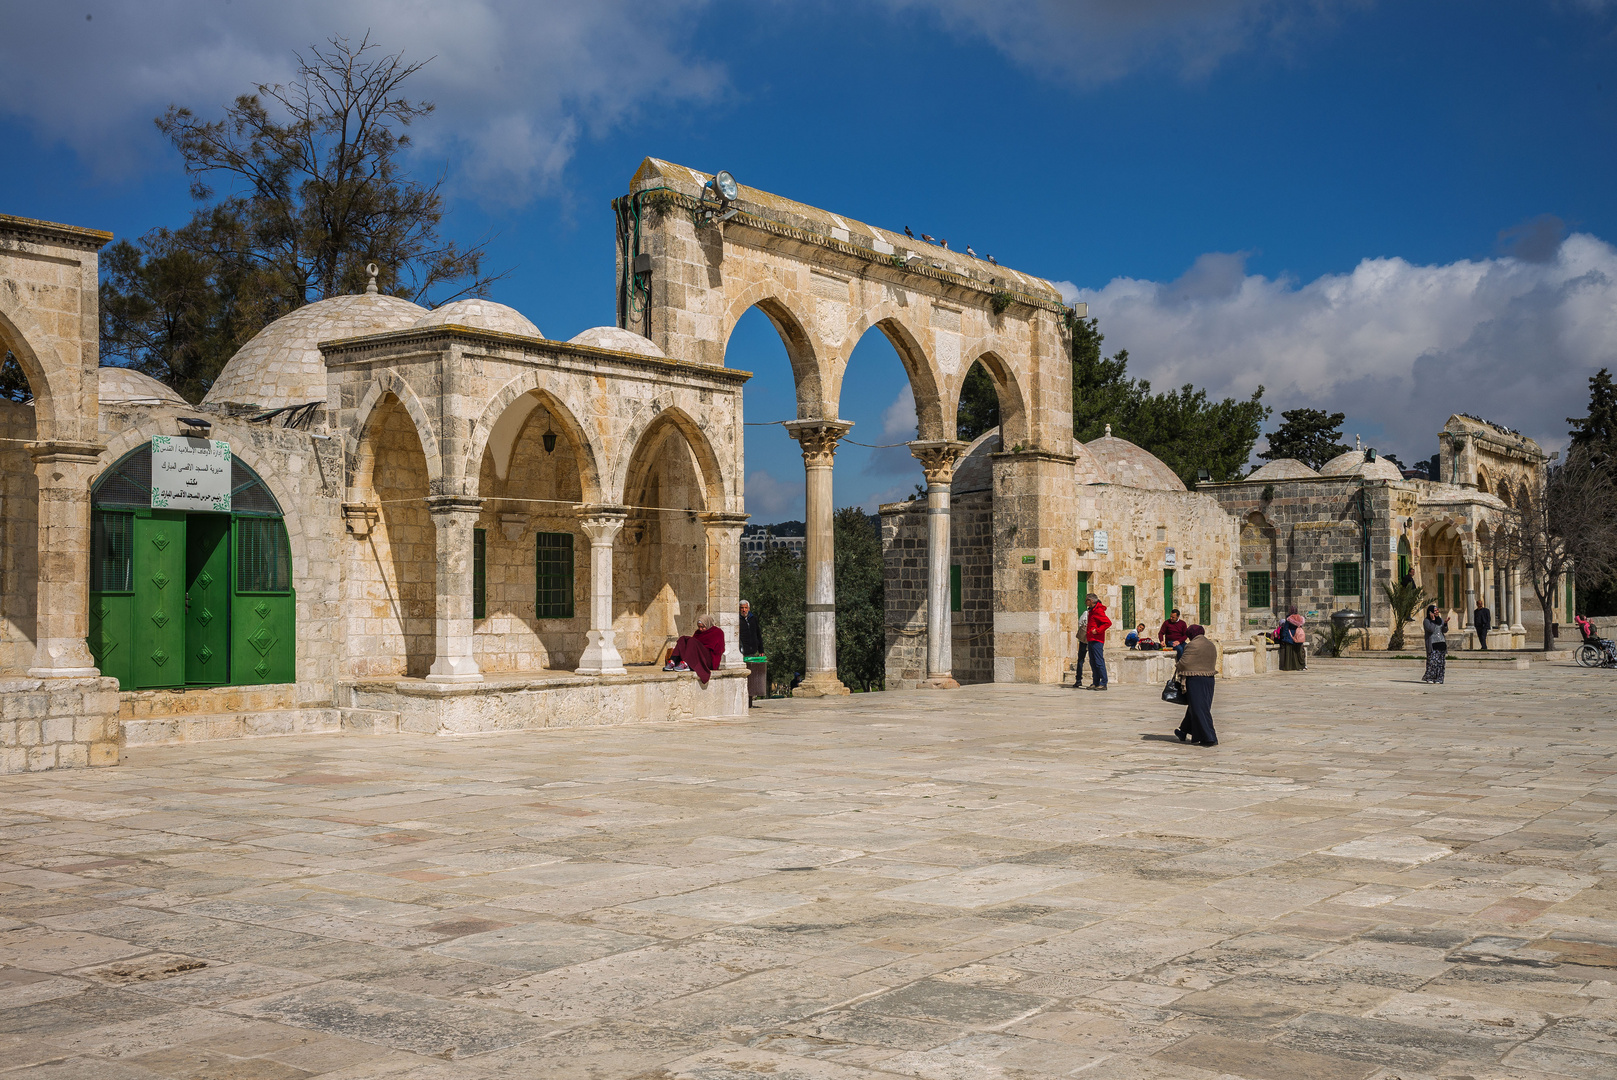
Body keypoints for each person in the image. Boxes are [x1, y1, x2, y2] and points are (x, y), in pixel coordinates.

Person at [1173, 624, 1218, 747]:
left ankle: (1209, 737)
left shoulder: (1192, 645)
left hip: (1195, 679)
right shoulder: (1211, 645)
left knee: (1199, 708)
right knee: (1197, 706)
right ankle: (1183, 731)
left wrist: (1178, 666)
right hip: (1209, 679)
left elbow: (1184, 663)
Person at [666, 614, 725, 685]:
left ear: (708, 624)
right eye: (699, 627)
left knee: (691, 641)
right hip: (697, 656)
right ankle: (673, 661)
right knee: (683, 639)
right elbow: (693, 647)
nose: (700, 629)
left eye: (703, 627)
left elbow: (719, 650)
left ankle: (686, 663)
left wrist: (700, 648)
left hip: (709, 659)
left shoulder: (717, 632)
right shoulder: (698, 633)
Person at [1085, 593, 1111, 691]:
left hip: (1097, 639)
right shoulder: (1091, 611)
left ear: (1090, 601)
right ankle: (1095, 682)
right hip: (1091, 639)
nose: (1086, 602)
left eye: (1087, 600)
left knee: (1099, 661)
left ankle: (1103, 682)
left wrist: (1098, 630)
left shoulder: (1098, 611)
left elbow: (1108, 623)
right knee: (1092, 661)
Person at [1421, 604, 1448, 684]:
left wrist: (1445, 624)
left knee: (1441, 663)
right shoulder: (1427, 621)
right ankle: (1429, 677)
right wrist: (1432, 620)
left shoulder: (1440, 620)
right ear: (1430, 612)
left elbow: (1444, 630)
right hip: (1432, 644)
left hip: (1441, 643)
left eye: (1437, 610)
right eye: (1435, 611)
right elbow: (1430, 629)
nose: (1437, 612)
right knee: (1432, 662)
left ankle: (1439, 678)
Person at [1070, 601, 1092, 688]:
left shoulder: (1086, 613)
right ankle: (1096, 680)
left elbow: (1080, 623)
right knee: (1093, 660)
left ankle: (1078, 680)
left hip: (1084, 640)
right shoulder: (1094, 614)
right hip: (1092, 639)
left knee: (1080, 660)